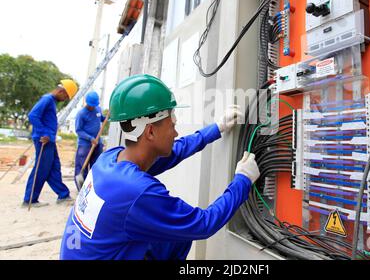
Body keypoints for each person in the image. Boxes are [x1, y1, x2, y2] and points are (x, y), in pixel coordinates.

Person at [60, 74, 260, 260]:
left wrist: (216, 128)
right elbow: (202, 224)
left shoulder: (110, 159)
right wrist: (242, 180)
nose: (175, 132)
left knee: (172, 234)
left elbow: (175, 151)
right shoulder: (138, 192)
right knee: (181, 231)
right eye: (172, 125)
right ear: (150, 132)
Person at [23, 79, 78, 208]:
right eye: (65, 96)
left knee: (54, 167)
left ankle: (63, 195)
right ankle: (29, 199)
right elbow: (33, 115)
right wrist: (44, 133)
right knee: (41, 169)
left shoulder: (51, 101)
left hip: (49, 140)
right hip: (44, 140)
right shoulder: (47, 99)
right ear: (61, 91)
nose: (65, 99)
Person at [74, 91, 106, 190]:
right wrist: (90, 138)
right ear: (86, 102)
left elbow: (102, 119)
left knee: (95, 166)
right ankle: (81, 188)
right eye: (90, 105)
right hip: (85, 145)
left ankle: (92, 188)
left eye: (94, 105)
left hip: (97, 144)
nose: (92, 107)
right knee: (81, 167)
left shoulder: (98, 109)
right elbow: (78, 130)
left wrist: (107, 117)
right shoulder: (81, 114)